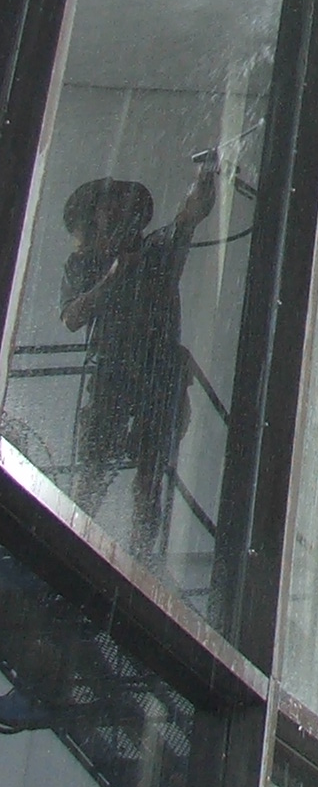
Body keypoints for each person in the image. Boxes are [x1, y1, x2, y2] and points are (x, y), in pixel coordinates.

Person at [59, 163, 218, 559]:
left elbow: (188, 217)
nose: (111, 214)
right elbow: (72, 317)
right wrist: (112, 279)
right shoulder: (82, 264)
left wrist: (205, 179)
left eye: (118, 206)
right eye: (104, 208)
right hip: (112, 376)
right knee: (93, 472)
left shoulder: (156, 250)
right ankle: (71, 545)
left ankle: (141, 560)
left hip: (157, 377)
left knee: (149, 481)